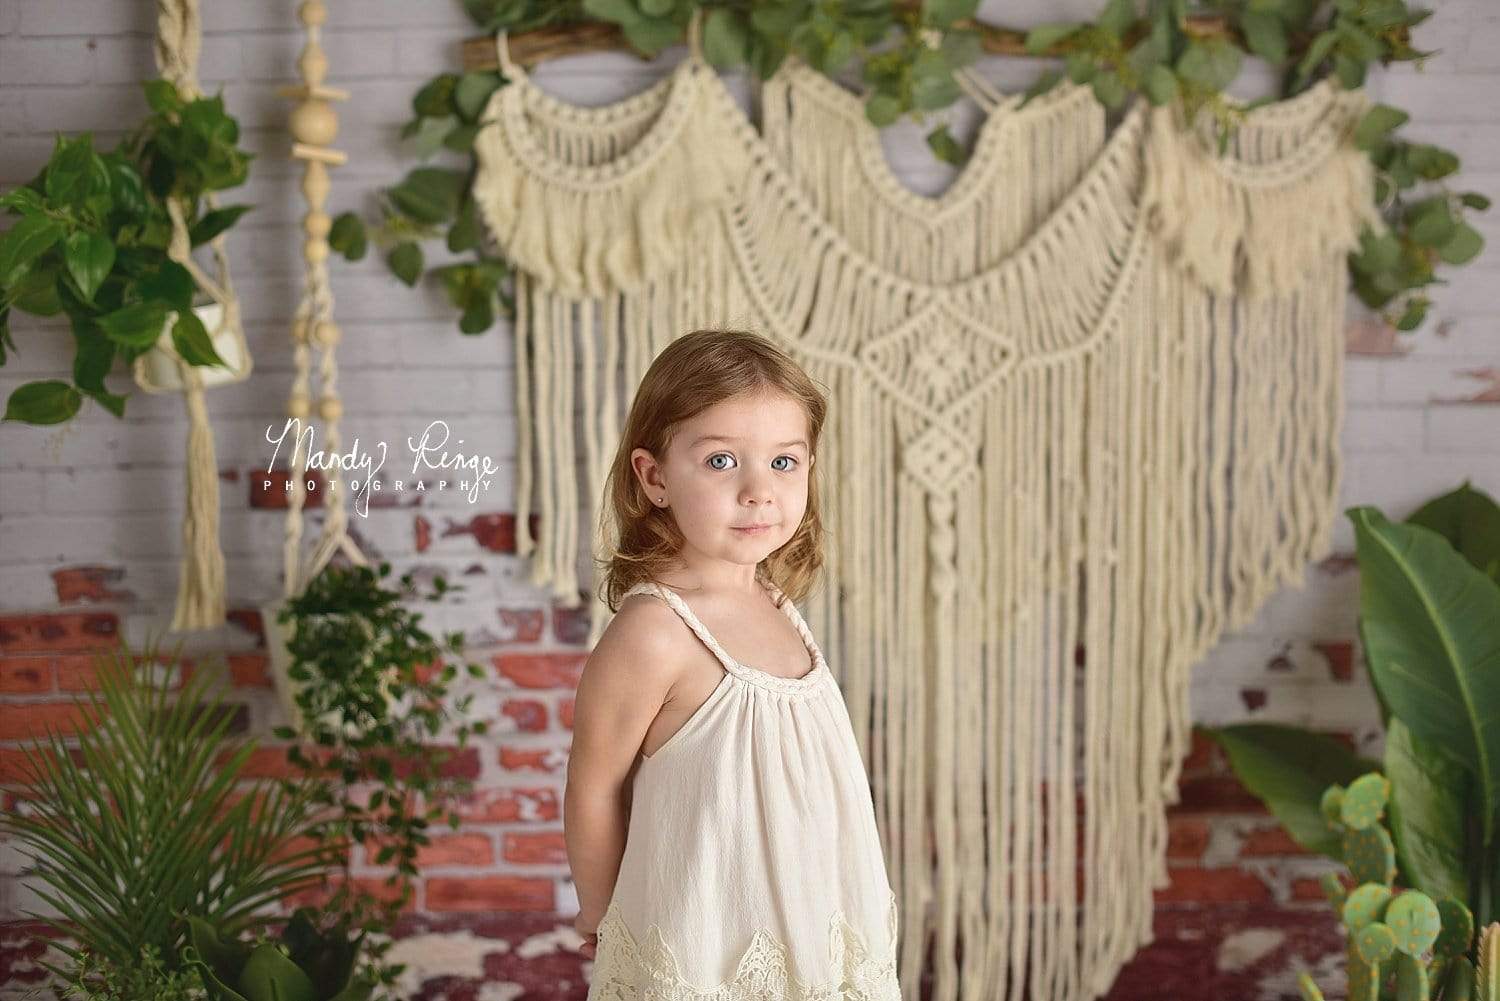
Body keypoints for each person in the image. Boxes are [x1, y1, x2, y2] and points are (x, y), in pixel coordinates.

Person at [563, 328, 901, 998]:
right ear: (654, 476)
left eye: (784, 462)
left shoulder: (777, 605)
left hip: (810, 939)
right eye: (721, 461)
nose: (758, 490)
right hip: (704, 950)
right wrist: (607, 917)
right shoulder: (656, 631)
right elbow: (594, 787)